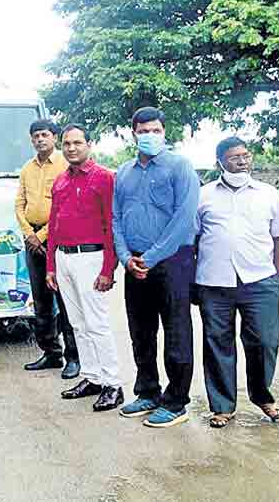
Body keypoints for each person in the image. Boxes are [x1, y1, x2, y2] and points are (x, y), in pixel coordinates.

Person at [195, 137, 279, 428]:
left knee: (266, 341)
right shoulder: (203, 195)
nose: (242, 161)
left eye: (245, 155)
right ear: (220, 163)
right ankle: (222, 406)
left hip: (259, 282)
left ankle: (263, 396)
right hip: (214, 283)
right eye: (234, 157)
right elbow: (192, 239)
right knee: (217, 343)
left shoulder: (268, 194)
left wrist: (275, 278)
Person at [112, 107, 200, 428]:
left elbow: (183, 219)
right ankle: (147, 391)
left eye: (155, 130)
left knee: (176, 331)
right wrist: (126, 257)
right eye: (143, 130)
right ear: (133, 133)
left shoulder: (180, 167)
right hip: (134, 263)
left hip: (171, 261)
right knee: (141, 330)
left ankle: (176, 400)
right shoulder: (124, 172)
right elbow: (116, 218)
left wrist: (150, 258)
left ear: (164, 132)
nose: (149, 135)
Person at [45, 124, 122, 412]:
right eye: (66, 143)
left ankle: (112, 383)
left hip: (91, 258)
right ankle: (92, 377)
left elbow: (111, 225)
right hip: (64, 259)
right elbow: (53, 225)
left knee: (97, 322)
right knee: (77, 323)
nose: (71, 148)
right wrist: (51, 266)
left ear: (89, 145)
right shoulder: (61, 181)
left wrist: (108, 269)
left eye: (77, 142)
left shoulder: (104, 178)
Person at [14, 119, 79, 378]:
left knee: (65, 301)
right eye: (35, 136)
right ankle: (51, 352)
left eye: (44, 135)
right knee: (41, 301)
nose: (40, 139)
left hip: (59, 238)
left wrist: (41, 236)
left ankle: (74, 358)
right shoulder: (27, 169)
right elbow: (19, 204)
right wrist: (30, 235)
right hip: (32, 240)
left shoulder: (66, 164)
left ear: (54, 137)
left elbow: (65, 206)